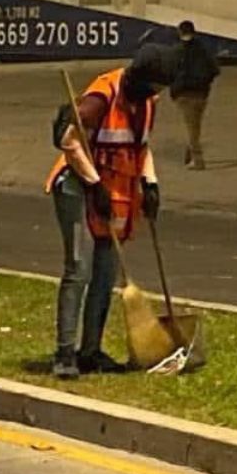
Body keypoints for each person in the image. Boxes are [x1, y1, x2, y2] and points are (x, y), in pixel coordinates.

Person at [46, 45, 174, 380]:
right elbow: (68, 141)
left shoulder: (147, 104)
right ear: (138, 78)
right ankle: (64, 353)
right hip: (75, 186)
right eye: (152, 87)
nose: (154, 94)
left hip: (114, 190)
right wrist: (92, 183)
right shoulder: (101, 98)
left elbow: (140, 146)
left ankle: (91, 351)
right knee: (79, 269)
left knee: (105, 272)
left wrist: (150, 182)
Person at [170, 20, 220, 171]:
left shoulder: (175, 51)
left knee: (192, 127)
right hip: (201, 94)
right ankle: (189, 155)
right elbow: (214, 70)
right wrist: (205, 82)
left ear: (180, 32)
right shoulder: (203, 50)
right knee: (194, 125)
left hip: (183, 93)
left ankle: (197, 160)